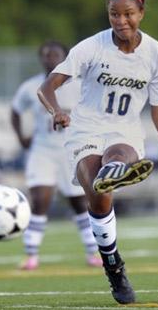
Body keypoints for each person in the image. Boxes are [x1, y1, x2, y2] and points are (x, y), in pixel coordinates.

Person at [37, 0, 158, 304]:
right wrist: (55, 111)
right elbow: (46, 87)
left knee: (118, 156)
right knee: (97, 195)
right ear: (108, 14)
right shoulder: (90, 47)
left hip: (124, 131)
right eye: (114, 14)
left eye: (128, 14)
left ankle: (114, 169)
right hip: (85, 129)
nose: (121, 21)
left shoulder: (156, 54)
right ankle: (113, 265)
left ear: (141, 13)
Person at [11, 40, 102, 270]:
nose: (50, 59)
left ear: (65, 57)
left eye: (55, 55)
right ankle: (31, 255)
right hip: (42, 150)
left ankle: (93, 252)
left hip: (72, 150)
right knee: (40, 200)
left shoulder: (82, 85)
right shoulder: (31, 86)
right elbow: (15, 110)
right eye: (45, 55)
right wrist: (21, 137)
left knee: (79, 203)